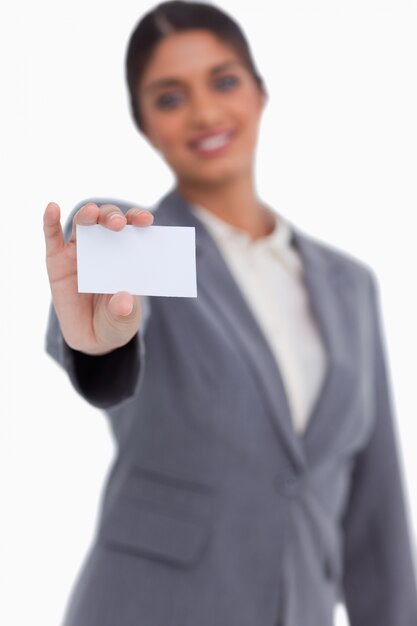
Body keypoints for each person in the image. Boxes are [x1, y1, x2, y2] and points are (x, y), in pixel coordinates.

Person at [43, 2, 417, 625]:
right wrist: (103, 340)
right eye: (169, 97)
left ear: (260, 92)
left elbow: (375, 512)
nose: (206, 112)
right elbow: (102, 307)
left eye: (223, 81)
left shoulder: (351, 285)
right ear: (143, 124)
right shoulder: (137, 240)